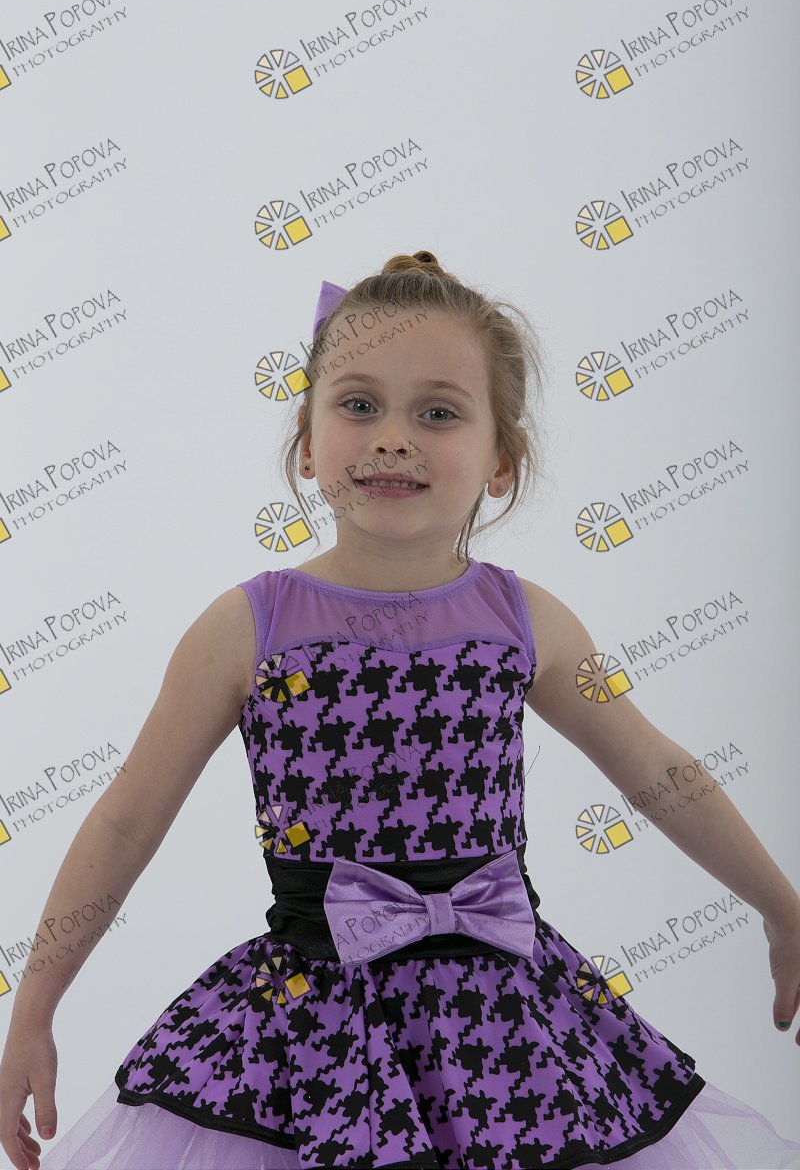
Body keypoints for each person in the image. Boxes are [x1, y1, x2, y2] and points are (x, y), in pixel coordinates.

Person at [1, 251, 799, 1170]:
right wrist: (34, 1011)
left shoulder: (527, 620)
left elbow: (657, 769)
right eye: (358, 404)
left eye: (438, 413)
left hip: (507, 1031)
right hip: (313, 1034)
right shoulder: (246, 629)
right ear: (308, 444)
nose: (392, 438)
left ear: (501, 460)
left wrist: (782, 909)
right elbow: (126, 820)